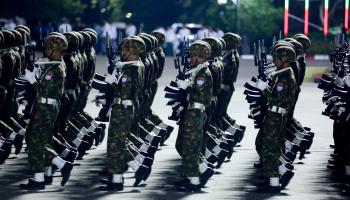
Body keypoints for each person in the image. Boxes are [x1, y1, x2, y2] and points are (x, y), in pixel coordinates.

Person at [20, 34, 74, 190]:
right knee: (37, 138)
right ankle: (47, 172)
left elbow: (44, 90)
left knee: (36, 141)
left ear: (55, 49)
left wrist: (32, 79)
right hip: (46, 107)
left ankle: (47, 173)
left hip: (46, 107)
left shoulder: (55, 69)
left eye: (49, 47)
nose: (46, 50)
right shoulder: (54, 64)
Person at [99, 37, 149, 191]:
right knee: (118, 142)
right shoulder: (134, 66)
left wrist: (112, 81)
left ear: (132, 51)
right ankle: (121, 175)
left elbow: (124, 92)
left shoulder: (131, 69)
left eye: (125, 49)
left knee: (115, 143)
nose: (122, 52)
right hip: (124, 108)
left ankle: (124, 175)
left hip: (123, 109)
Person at [255, 45, 297, 193]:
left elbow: (276, 100)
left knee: (270, 149)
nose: (274, 61)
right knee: (263, 145)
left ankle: (273, 182)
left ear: (284, 59)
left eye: (276, 58)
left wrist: (264, 88)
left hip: (276, 115)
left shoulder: (285, 77)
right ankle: (281, 171)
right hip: (273, 115)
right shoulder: (281, 74)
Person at [174, 40, 213, 192]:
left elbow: (201, 95)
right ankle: (198, 171)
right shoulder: (198, 71)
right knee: (186, 145)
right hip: (192, 111)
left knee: (191, 146)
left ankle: (194, 181)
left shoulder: (203, 73)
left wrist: (186, 88)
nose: (190, 58)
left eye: (192, 56)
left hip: (196, 112)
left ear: (199, 56)